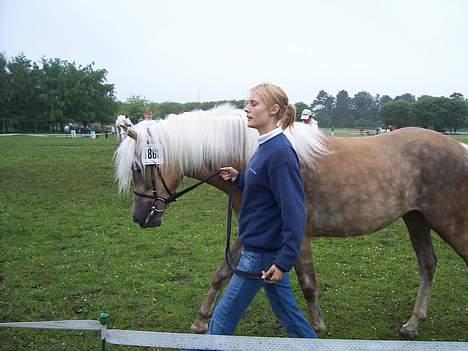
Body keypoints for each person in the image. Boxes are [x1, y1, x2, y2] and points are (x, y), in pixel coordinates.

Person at [186, 83, 318, 350]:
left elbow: (295, 211)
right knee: (290, 317)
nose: (246, 109)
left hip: (261, 255)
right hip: (264, 253)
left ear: (274, 110)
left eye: (253, 104)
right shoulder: (265, 147)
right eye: (248, 103)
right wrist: (240, 177)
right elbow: (263, 183)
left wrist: (283, 262)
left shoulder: (280, 153)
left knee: (222, 318)